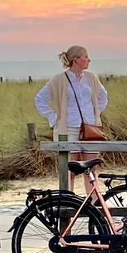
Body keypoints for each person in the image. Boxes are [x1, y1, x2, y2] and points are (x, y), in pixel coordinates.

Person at [34, 45, 108, 192]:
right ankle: (69, 203)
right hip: (68, 129)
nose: (89, 60)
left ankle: (93, 205)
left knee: (91, 170)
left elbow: (102, 95)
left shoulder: (91, 77)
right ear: (76, 60)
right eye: (86, 57)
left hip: (90, 129)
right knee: (70, 171)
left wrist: (95, 114)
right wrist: (54, 118)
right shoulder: (60, 79)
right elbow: (40, 99)